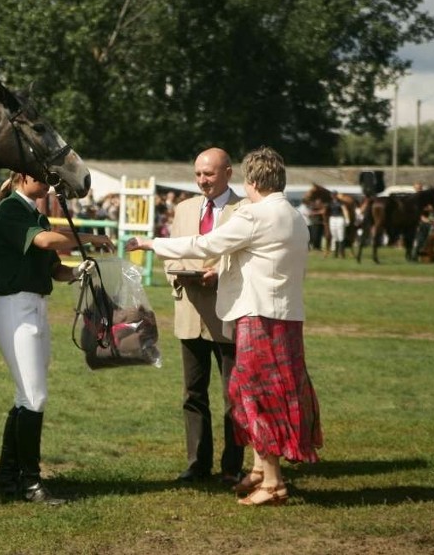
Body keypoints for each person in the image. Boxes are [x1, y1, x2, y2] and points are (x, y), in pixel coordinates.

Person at [126, 146, 322, 507]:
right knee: (275, 392)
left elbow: (205, 244)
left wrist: (151, 242)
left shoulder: (255, 214)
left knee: (256, 396)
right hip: (287, 317)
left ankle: (274, 484)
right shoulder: (294, 216)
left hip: (259, 317)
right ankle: (261, 469)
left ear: (251, 180)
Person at [0, 171, 115, 505]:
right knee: (34, 396)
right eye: (39, 177)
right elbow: (44, 241)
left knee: (25, 396)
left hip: (35, 306)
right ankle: (30, 483)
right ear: (19, 177)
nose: (46, 183)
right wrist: (90, 237)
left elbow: (54, 268)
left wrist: (76, 273)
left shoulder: (36, 215)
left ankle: (7, 477)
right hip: (16, 307)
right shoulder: (10, 209)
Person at [166, 147, 247, 486]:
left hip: (226, 316)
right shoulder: (183, 208)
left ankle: (232, 467)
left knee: (233, 396)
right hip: (189, 314)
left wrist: (220, 274)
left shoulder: (245, 209)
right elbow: (170, 255)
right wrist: (178, 273)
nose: (202, 181)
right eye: (198, 174)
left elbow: (247, 261)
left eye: (209, 174)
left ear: (228, 173)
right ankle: (197, 464)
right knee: (192, 394)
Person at [327, 191, 346, 258]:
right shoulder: (330, 203)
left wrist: (347, 219)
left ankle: (342, 253)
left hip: (339, 218)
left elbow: (344, 210)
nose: (333, 196)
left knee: (340, 235)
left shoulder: (341, 202)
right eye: (332, 195)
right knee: (334, 235)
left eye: (334, 194)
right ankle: (335, 253)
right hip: (332, 218)